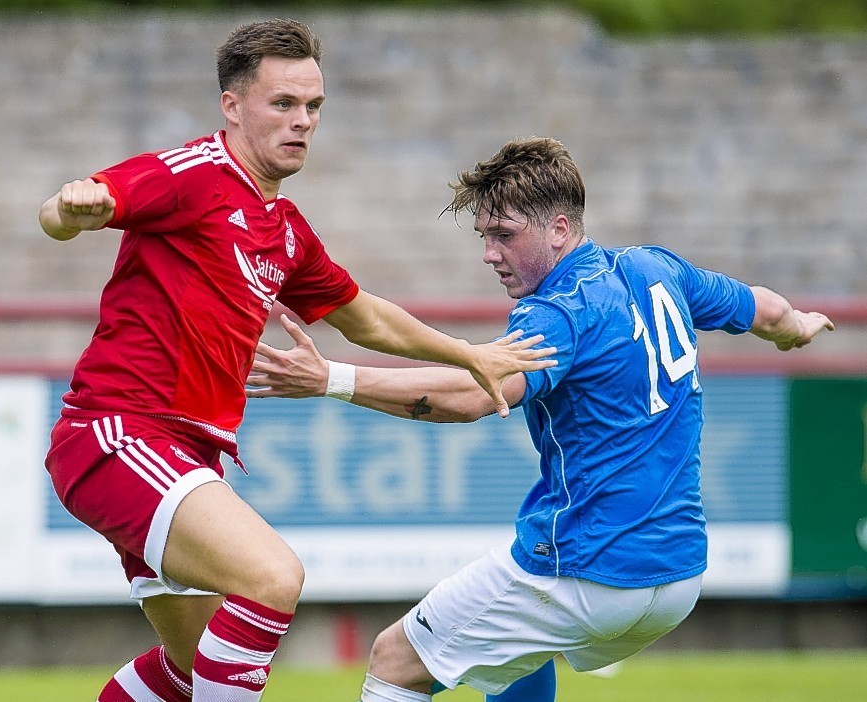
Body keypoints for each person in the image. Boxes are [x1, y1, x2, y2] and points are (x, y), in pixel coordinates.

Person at [37, 20, 550, 702]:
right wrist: (73, 209)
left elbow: (361, 316)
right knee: (274, 577)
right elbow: (65, 209)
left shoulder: (284, 229)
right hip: (119, 436)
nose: (302, 121)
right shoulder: (194, 176)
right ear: (232, 106)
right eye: (282, 104)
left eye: (312, 107)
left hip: (188, 455)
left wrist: (467, 352)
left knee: (191, 672)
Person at [247, 136, 837, 702]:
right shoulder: (657, 268)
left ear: (559, 229)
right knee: (507, 660)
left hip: (590, 567)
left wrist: (333, 379)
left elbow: (474, 395)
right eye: (484, 236)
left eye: (504, 235)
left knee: (396, 658)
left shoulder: (560, 310)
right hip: (680, 575)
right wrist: (798, 327)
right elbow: (767, 308)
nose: (489, 254)